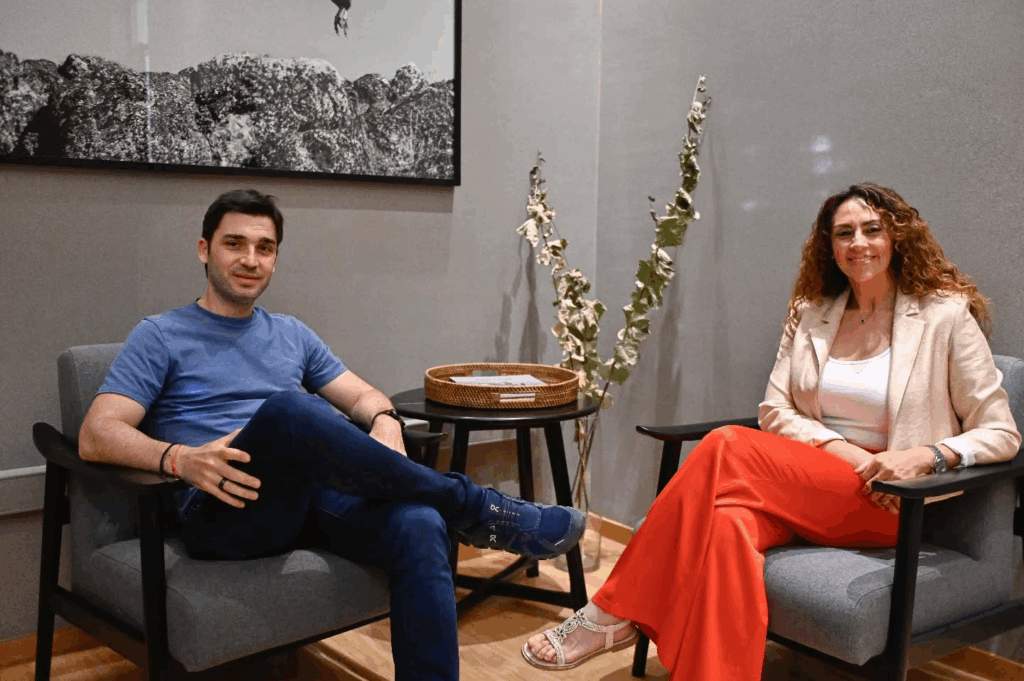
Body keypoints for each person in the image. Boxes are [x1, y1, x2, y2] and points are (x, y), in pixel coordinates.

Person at [78, 188, 587, 681]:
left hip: (309, 502)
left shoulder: (291, 333)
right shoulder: (161, 335)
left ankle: (459, 516)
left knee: (419, 522)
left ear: (275, 259)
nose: (250, 259)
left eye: (265, 248)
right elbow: (96, 433)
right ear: (204, 250)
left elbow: (363, 396)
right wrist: (180, 459)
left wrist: (385, 420)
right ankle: (477, 507)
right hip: (223, 510)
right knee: (291, 409)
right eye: (235, 244)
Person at [521, 183, 1021, 679]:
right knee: (727, 525)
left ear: (897, 237)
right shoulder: (812, 313)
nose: (858, 243)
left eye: (872, 230)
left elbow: (1002, 433)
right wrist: (842, 450)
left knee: (726, 444)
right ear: (829, 246)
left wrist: (927, 456)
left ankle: (611, 611)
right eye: (844, 233)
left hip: (889, 501)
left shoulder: (943, 316)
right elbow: (775, 409)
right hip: (814, 481)